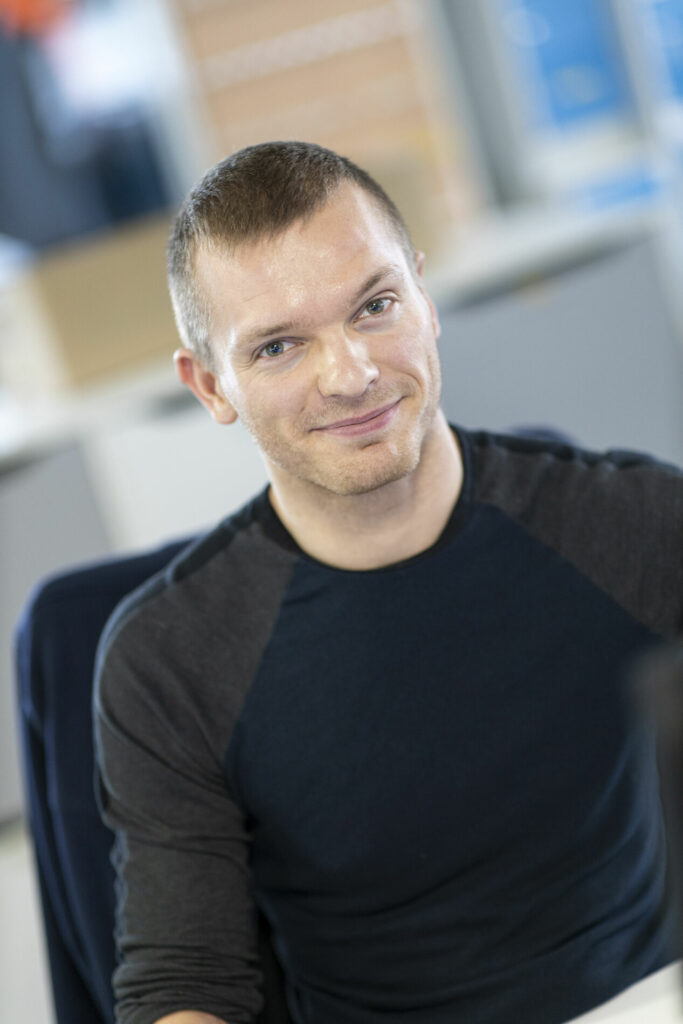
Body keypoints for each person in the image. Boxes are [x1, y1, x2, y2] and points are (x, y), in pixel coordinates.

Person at [94, 141, 683, 1024]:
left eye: (373, 306)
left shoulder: (631, 520)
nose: (351, 373)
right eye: (280, 347)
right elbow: (185, 986)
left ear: (422, 294)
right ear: (210, 386)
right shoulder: (171, 658)